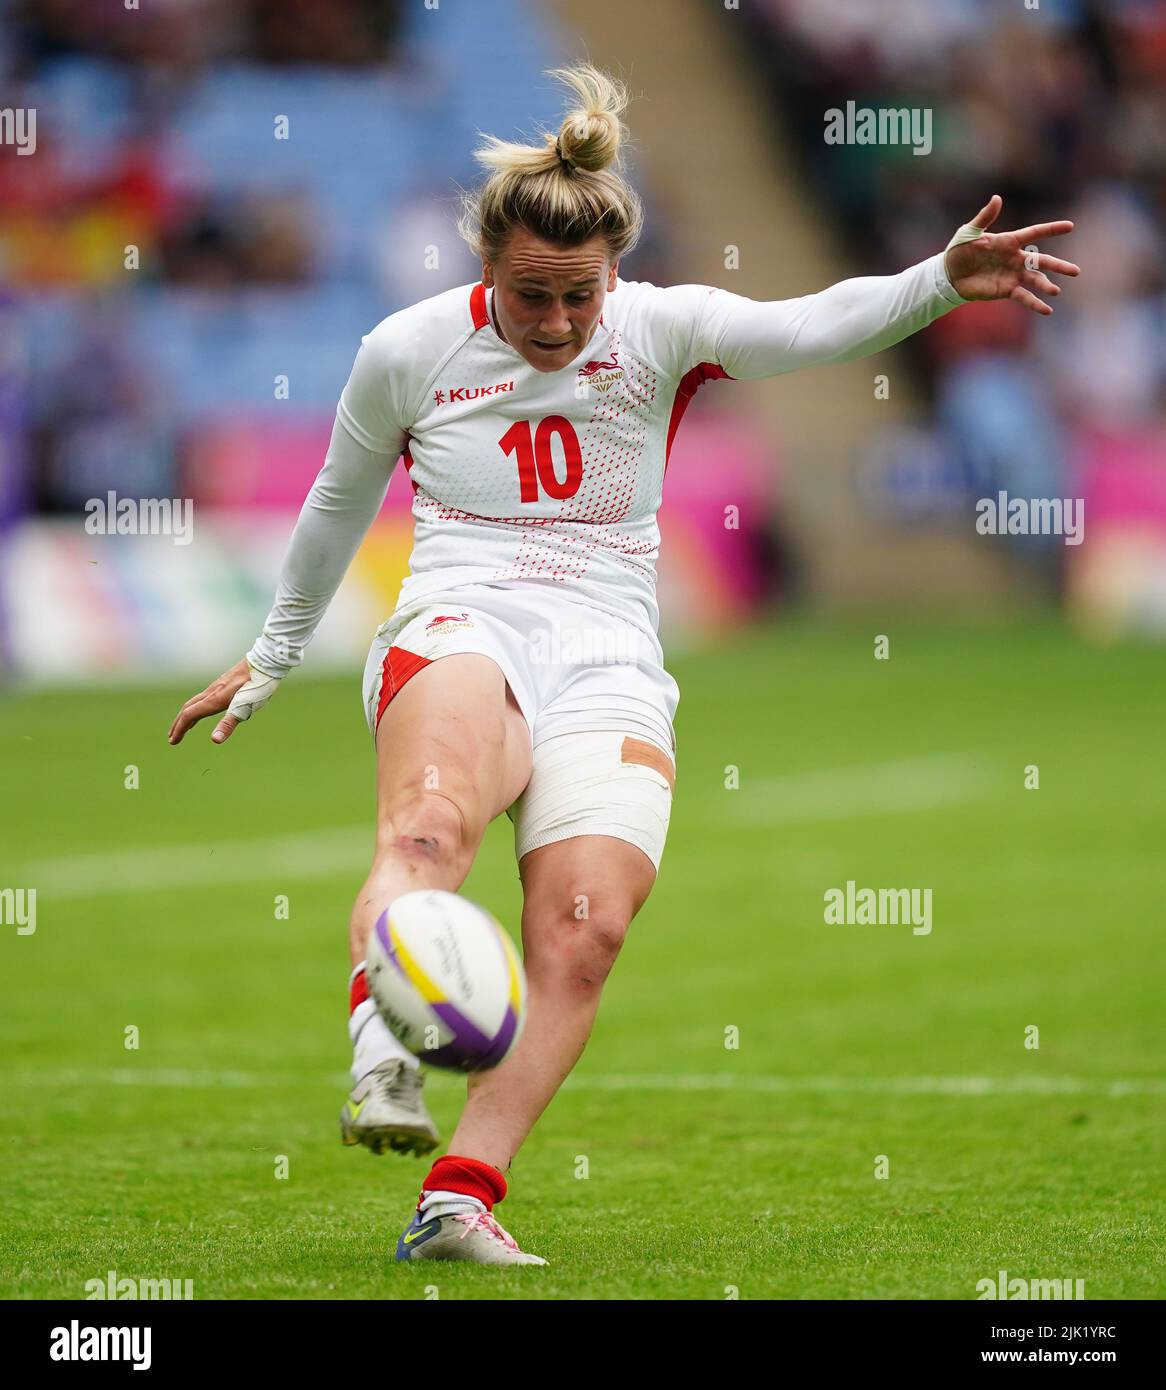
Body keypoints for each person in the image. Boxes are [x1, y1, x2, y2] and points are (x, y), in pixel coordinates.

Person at [167, 62, 1079, 1266]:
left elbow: (804, 326)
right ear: (485, 269)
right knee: (430, 830)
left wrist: (935, 283)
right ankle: (382, 1056)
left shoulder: (661, 328)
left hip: (607, 655)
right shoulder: (407, 349)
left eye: (577, 300)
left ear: (614, 277)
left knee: (582, 932)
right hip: (461, 618)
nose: (553, 325)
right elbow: (338, 504)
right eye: (529, 298)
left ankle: (458, 1198)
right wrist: (271, 655)